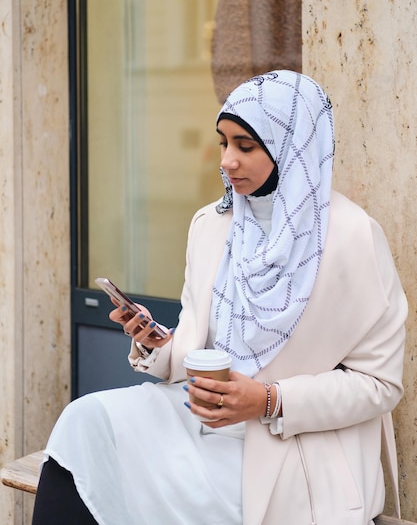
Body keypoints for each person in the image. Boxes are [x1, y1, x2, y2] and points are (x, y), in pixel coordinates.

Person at [32, 70, 407, 525]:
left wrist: (268, 399)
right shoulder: (214, 224)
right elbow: (197, 352)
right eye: (224, 142)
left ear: (293, 144)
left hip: (290, 445)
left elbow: (380, 385)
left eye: (245, 146)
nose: (227, 160)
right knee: (85, 422)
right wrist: (158, 343)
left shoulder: (353, 238)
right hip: (202, 421)